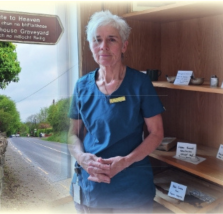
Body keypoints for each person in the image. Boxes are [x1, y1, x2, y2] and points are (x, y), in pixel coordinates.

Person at [68, 10, 165, 213]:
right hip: (92, 187)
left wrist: (125, 161)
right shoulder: (82, 86)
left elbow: (156, 134)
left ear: (124, 45)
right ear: (91, 46)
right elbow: (73, 134)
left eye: (111, 39)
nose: (103, 47)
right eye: (97, 40)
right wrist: (81, 157)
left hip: (131, 188)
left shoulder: (140, 84)